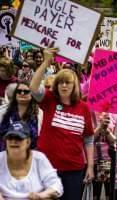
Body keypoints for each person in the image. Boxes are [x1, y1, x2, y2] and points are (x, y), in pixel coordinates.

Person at [29, 48, 94, 200]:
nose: (64, 86)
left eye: (68, 83)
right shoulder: (50, 100)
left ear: (75, 85)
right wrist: (46, 62)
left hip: (74, 170)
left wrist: (90, 166)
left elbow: (88, 139)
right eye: (61, 83)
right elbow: (33, 88)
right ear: (56, 85)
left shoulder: (83, 107)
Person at [0, 121, 63, 200]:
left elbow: (56, 186)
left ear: (28, 142)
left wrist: (41, 195)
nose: (13, 141)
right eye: (10, 138)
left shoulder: (39, 158)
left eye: (18, 138)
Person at [0, 82, 42, 151]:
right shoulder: (3, 111)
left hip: (29, 157)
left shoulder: (39, 114)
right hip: (5, 155)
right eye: (19, 91)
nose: (22, 93)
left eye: (26, 91)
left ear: (32, 94)